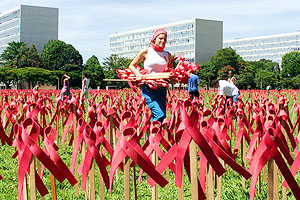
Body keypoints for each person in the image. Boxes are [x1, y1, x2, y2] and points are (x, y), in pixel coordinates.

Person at [129, 28, 172, 123]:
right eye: (160, 38)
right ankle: (153, 135)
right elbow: (132, 65)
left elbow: (169, 71)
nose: (163, 41)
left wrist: (173, 78)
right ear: (154, 39)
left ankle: (152, 135)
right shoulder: (146, 51)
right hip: (148, 88)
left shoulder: (167, 55)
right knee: (159, 114)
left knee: (162, 116)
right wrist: (138, 74)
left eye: (165, 39)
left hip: (161, 88)